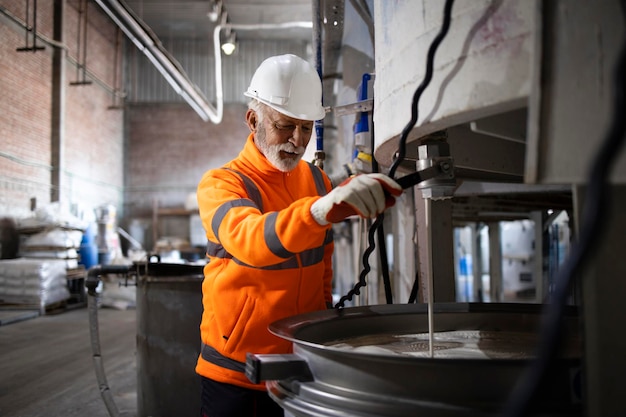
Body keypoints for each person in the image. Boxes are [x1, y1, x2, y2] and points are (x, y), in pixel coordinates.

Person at [195, 54, 402, 417]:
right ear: (253, 119)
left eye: (306, 128)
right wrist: (317, 211)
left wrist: (322, 329)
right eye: (284, 125)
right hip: (236, 373)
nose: (296, 140)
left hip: (299, 365)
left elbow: (321, 266)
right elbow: (251, 241)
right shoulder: (223, 183)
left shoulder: (317, 181)